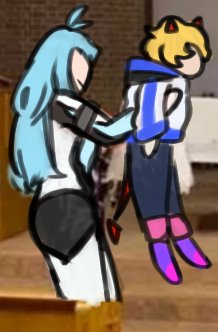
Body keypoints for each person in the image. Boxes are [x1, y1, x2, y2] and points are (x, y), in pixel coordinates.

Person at [9, 5, 134, 304]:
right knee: (100, 299)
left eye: (87, 65)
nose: (85, 73)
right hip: (69, 206)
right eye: (79, 64)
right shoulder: (64, 104)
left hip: (48, 207)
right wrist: (145, 108)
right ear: (59, 63)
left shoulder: (37, 109)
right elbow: (111, 131)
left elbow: (100, 140)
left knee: (74, 301)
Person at [107, 15, 212, 285]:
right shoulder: (141, 82)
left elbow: (176, 117)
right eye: (194, 55)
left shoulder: (177, 83)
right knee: (151, 200)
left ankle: (182, 240)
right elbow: (130, 113)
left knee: (169, 197)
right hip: (141, 146)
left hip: (166, 146)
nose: (198, 62)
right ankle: (161, 249)